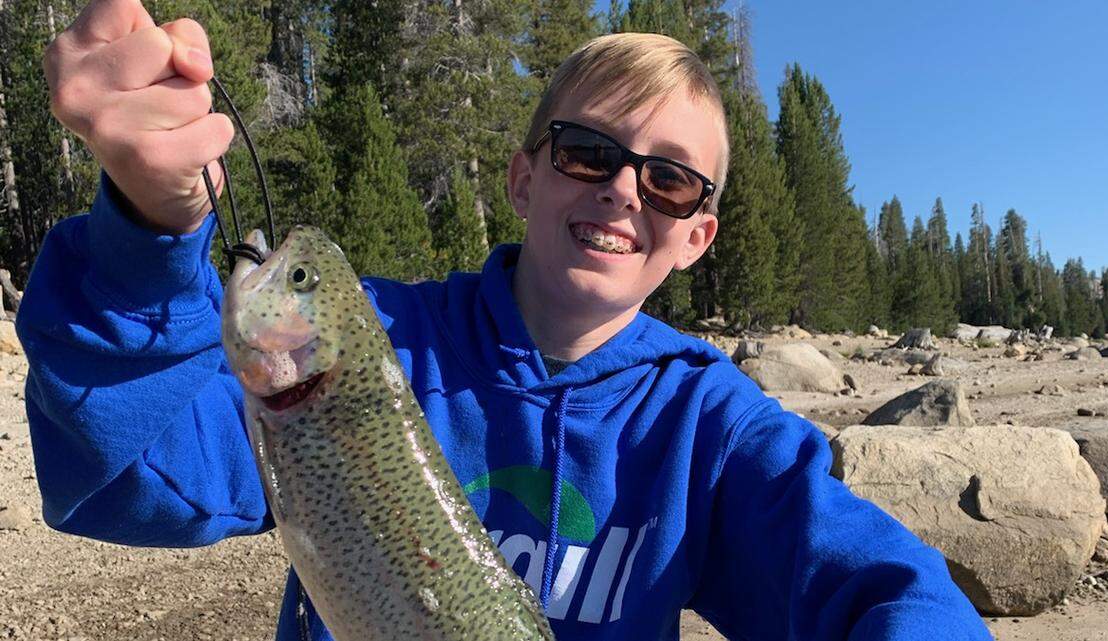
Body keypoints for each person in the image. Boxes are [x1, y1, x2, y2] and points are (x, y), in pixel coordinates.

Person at [20, 0, 993, 639]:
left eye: (667, 178)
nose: (622, 191)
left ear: (696, 235)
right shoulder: (375, 354)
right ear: (524, 176)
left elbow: (878, 581)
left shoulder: (711, 426)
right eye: (586, 152)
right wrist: (153, 227)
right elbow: (116, 478)